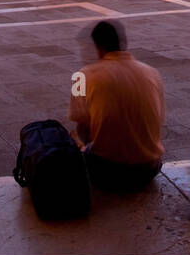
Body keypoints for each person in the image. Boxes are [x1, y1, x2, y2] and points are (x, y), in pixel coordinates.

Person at [68, 20, 165, 192]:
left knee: (74, 138)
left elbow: (83, 127)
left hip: (109, 172)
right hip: (151, 168)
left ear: (97, 47)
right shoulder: (152, 72)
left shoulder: (83, 75)